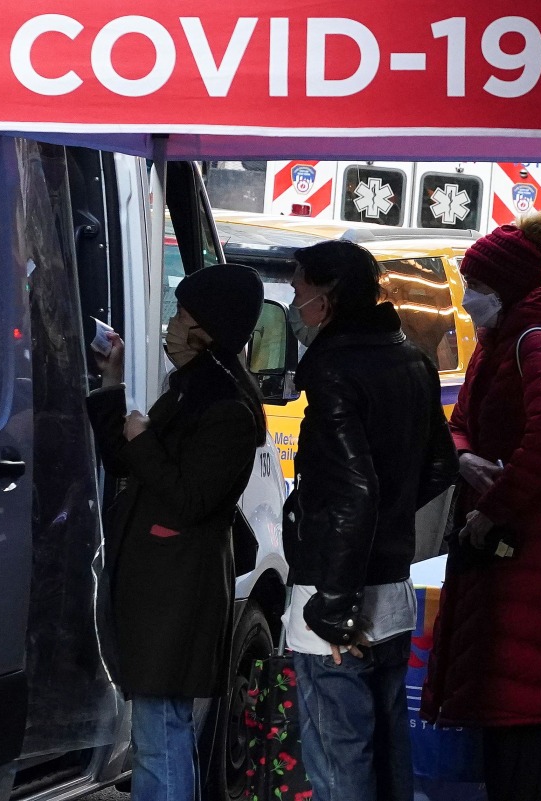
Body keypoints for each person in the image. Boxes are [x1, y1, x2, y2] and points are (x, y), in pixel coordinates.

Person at [281, 240, 458, 801]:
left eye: (298, 290)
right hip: (391, 586)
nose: (293, 303)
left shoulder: (333, 371)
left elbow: (354, 492)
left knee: (339, 756)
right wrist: (391, 519)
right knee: (386, 753)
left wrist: (333, 603)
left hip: (335, 591)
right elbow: (441, 464)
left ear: (327, 297)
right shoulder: (411, 358)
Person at [86, 264, 267, 801]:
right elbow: (130, 461)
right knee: (156, 726)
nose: (171, 325)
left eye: (183, 315)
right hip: (158, 585)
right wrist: (111, 386)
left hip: (178, 589)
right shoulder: (190, 391)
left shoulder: (228, 408)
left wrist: (142, 438)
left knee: (162, 729)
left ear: (207, 329)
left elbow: (189, 497)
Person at [421, 213, 541, 801]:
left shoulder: (533, 342)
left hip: (525, 549)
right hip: (495, 552)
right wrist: (463, 458)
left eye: (478, 288)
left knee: (523, 718)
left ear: (507, 291)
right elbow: (460, 423)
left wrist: (496, 505)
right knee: (500, 706)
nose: (468, 299)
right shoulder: (496, 344)